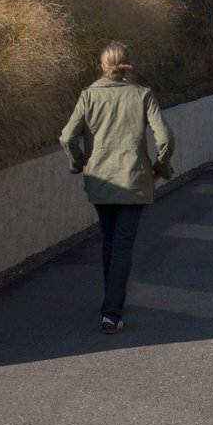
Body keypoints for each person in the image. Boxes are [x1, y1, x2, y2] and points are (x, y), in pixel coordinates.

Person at [59, 41, 174, 335]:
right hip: (134, 180)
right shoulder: (142, 95)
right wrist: (161, 169)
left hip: (100, 180)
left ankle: (113, 302)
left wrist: (79, 164)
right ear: (127, 65)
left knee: (109, 241)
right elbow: (165, 138)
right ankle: (111, 312)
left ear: (102, 66)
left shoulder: (88, 96)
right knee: (122, 245)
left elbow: (67, 138)